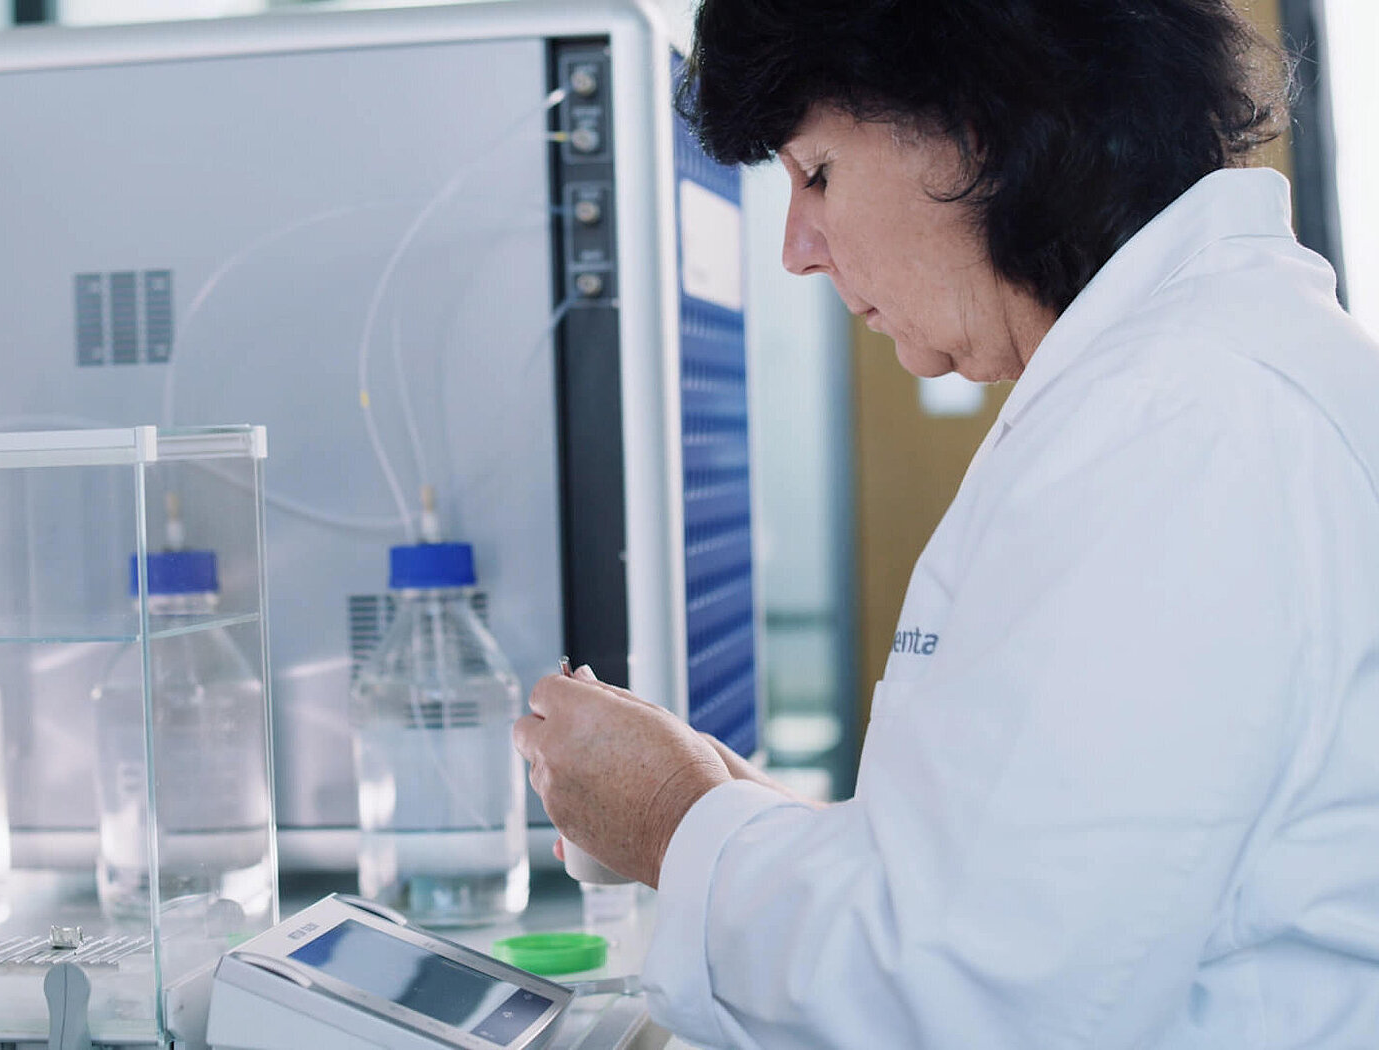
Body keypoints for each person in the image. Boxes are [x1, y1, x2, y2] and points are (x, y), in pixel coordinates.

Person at [511, 0, 1379, 1046]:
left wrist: (672, 822)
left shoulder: (1183, 419)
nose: (795, 250)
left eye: (816, 173)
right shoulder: (1181, 378)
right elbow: (1016, 891)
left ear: (980, 125)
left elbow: (979, 1003)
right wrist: (748, 818)